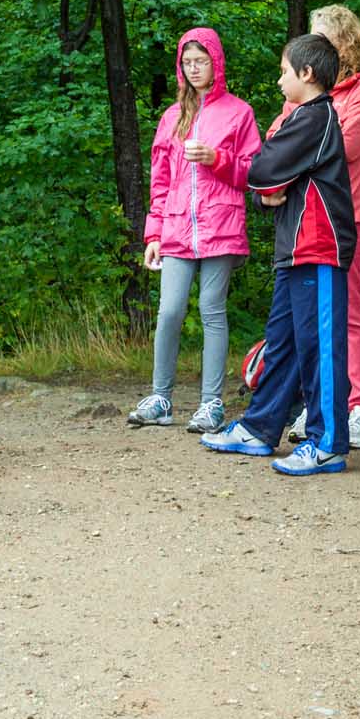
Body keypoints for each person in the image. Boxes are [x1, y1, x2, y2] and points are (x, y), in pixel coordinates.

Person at [200, 33, 357, 476]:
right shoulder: (299, 117)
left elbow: (265, 170)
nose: (279, 80)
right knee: (284, 343)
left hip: (319, 248)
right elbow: (264, 183)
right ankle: (260, 426)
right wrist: (265, 190)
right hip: (293, 250)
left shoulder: (315, 117)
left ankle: (328, 442)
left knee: (319, 347)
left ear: (307, 74)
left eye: (285, 71)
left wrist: (266, 186)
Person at [132, 28, 261, 433]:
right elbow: (160, 180)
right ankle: (160, 398)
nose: (194, 69)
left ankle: (211, 404)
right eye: (187, 63)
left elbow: (255, 172)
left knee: (211, 310)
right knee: (169, 311)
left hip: (221, 225)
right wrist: (153, 235)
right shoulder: (172, 116)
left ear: (216, 63)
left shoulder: (239, 112)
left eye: (201, 61)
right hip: (176, 229)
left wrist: (216, 157)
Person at [275, 6, 360, 449]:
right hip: (302, 221)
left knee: (350, 312)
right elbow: (274, 143)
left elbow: (347, 145)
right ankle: (321, 406)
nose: (312, 43)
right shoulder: (297, 93)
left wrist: (297, 149)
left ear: (343, 41)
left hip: (347, 215)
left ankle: (359, 407)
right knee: (310, 317)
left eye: (319, 35)